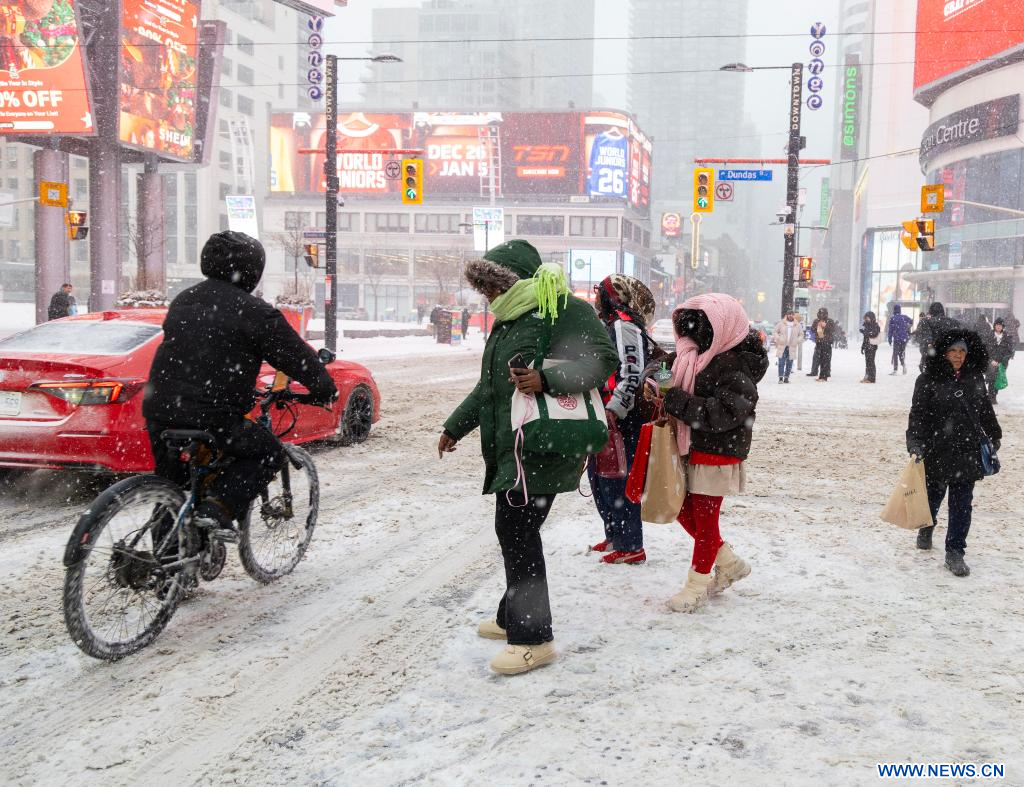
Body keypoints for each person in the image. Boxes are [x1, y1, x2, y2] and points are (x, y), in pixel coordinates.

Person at [439, 240, 618, 675]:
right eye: (484, 287)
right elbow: (490, 388)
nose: (488, 295)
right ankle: (511, 616)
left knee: (516, 530)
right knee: (518, 529)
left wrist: (548, 378)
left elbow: (603, 360)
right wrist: (455, 426)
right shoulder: (508, 319)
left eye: (493, 285)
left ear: (515, 281)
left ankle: (533, 638)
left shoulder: (563, 309)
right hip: (516, 444)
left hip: (545, 441)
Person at [143, 231, 338, 536]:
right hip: (213, 414)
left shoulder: (184, 300)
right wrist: (324, 389)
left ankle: (168, 558)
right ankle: (216, 510)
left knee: (173, 487)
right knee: (268, 454)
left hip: (160, 407)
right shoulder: (255, 312)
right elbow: (296, 357)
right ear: (252, 270)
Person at [649, 294, 768, 613]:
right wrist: (657, 379)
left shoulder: (737, 365)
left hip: (718, 450)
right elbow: (662, 371)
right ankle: (728, 562)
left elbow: (723, 413)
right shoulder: (690, 354)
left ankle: (696, 586)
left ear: (722, 327)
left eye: (700, 328)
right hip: (689, 447)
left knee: (704, 520)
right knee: (680, 508)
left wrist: (675, 400)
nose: (691, 336)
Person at [907, 328, 1001, 577]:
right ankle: (927, 527)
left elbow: (984, 409)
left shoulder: (974, 377)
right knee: (933, 497)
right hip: (937, 449)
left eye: (962, 351)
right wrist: (915, 442)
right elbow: (918, 415)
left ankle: (955, 552)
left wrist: (994, 434)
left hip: (967, 450)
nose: (958, 355)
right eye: (953, 350)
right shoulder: (927, 379)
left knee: (962, 505)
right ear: (944, 353)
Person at [588, 274, 662, 565]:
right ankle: (615, 535)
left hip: (621, 416)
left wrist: (614, 409)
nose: (596, 296)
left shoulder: (623, 325)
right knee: (600, 477)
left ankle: (631, 544)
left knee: (617, 480)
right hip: (608, 413)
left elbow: (631, 374)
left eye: (601, 291)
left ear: (615, 296)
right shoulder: (613, 324)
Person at [916, 302, 959, 370]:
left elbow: (924, 339)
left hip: (933, 356)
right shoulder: (953, 322)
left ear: (931, 311)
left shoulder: (926, 322)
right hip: (949, 356)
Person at [984, 317, 1015, 404]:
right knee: (991, 378)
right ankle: (991, 396)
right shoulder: (989, 336)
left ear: (1002, 327)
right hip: (990, 361)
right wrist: (991, 360)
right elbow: (985, 350)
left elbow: (1010, 351)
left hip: (1001, 363)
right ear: (994, 326)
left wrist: (1002, 361)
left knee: (997, 379)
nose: (998, 327)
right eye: (997, 325)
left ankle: (993, 395)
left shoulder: (1007, 337)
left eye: (1000, 325)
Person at [772, 309, 802, 383]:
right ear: (787, 315)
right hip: (782, 346)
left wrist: (797, 341)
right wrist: (778, 338)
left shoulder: (797, 325)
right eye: (789, 314)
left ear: (794, 315)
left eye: (792, 314)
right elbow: (775, 331)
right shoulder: (781, 323)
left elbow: (801, 335)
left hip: (792, 346)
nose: (790, 315)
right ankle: (780, 378)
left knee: (789, 363)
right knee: (781, 362)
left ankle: (786, 378)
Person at [807, 307, 836, 381]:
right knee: (818, 358)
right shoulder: (816, 321)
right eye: (820, 313)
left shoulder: (830, 321)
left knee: (825, 360)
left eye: (823, 313)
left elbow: (833, 330)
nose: (821, 315)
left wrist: (825, 326)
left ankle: (825, 376)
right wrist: (817, 326)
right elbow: (812, 330)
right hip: (819, 342)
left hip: (827, 342)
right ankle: (819, 375)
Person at [886, 304, 913, 375]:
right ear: (900, 310)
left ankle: (895, 370)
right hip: (904, 338)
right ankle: (903, 365)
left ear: (894, 310)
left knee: (895, 353)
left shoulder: (893, 318)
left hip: (897, 338)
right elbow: (911, 321)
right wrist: (907, 327)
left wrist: (889, 338)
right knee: (901, 353)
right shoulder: (904, 317)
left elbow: (890, 330)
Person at [859, 311, 880, 383]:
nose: (866, 319)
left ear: (871, 318)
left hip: (872, 346)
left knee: (871, 362)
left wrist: (865, 332)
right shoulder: (866, 325)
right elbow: (865, 338)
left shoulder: (875, 326)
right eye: (865, 318)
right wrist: (862, 347)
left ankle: (872, 378)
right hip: (867, 346)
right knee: (867, 363)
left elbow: (874, 334)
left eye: (867, 318)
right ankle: (867, 377)